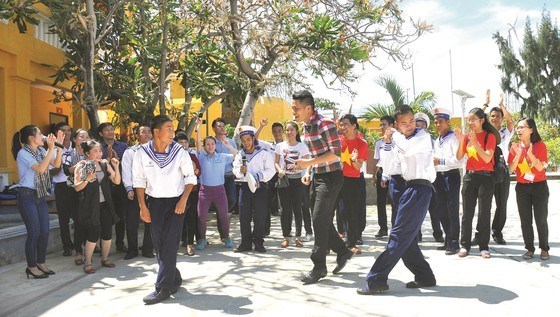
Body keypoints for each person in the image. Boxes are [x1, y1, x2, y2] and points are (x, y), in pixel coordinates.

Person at [357, 105, 436, 295]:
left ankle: (376, 280)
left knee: (399, 235)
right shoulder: (401, 139)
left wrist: (394, 135)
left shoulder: (422, 136)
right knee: (406, 238)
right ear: (397, 124)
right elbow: (389, 166)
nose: (409, 125)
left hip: (420, 188)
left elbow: (408, 150)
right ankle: (425, 276)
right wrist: (386, 142)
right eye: (404, 123)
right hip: (409, 188)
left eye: (411, 121)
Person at [133, 115, 197, 305]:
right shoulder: (141, 153)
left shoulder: (180, 151)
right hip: (155, 203)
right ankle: (174, 277)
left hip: (176, 202)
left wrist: (183, 201)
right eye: (168, 128)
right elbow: (139, 181)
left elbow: (190, 178)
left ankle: (163, 288)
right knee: (159, 245)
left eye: (173, 128)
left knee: (170, 244)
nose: (172, 132)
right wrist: (142, 207)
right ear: (156, 132)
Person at [291, 90, 353, 285]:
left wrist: (308, 165)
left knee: (319, 219)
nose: (294, 112)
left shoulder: (324, 124)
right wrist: (309, 171)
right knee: (321, 219)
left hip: (332, 177)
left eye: (296, 108)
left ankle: (319, 266)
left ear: (308, 108)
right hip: (318, 175)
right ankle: (343, 251)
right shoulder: (305, 125)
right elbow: (314, 154)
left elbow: (335, 154)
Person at [12, 125, 63, 279]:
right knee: (34, 232)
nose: (43, 136)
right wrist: (50, 148)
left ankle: (41, 262)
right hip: (26, 196)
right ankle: (31, 266)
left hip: (40, 195)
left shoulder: (41, 151)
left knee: (45, 231)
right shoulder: (23, 153)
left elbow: (56, 164)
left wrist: (58, 148)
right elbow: (41, 169)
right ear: (31, 138)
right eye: (40, 134)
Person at [454, 107, 501, 259]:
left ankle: (483, 246)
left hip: (486, 178)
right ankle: (464, 245)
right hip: (470, 177)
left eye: (473, 119)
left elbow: (487, 158)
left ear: (481, 120)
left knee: (484, 213)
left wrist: (475, 143)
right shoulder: (468, 136)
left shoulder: (490, 137)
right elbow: (460, 156)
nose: (470, 122)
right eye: (469, 120)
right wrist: (462, 140)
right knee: (467, 213)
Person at [73, 140, 121, 274]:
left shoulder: (104, 165)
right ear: (87, 153)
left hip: (105, 204)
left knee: (107, 232)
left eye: (100, 151)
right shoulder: (81, 166)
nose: (99, 154)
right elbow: (77, 188)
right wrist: (87, 179)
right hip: (90, 205)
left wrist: (116, 167)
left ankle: (105, 259)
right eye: (95, 151)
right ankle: (87, 262)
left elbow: (116, 181)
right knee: (94, 232)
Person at [474, 91, 513, 245]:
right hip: (487, 172)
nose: (494, 118)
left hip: (502, 171)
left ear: (501, 118)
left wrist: (502, 105)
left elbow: (511, 122)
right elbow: (475, 118)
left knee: (501, 204)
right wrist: (486, 104)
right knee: (484, 205)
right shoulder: (485, 133)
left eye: (497, 116)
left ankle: (497, 232)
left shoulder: (505, 133)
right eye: (492, 116)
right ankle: (480, 234)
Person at [508, 118, 550, 261]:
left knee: (541, 219)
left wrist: (531, 155)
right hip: (522, 187)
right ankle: (529, 248)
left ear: (531, 129)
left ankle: (544, 248)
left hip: (539, 186)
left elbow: (540, 168)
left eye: (522, 127)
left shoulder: (540, 145)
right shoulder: (514, 146)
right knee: (525, 220)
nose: (519, 130)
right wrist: (519, 153)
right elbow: (511, 168)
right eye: (518, 128)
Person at [195, 118, 238, 251]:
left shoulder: (222, 156)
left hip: (220, 191)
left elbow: (236, 155)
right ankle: (202, 239)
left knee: (224, 215)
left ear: (215, 145)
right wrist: (198, 127)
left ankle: (226, 237)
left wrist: (227, 144)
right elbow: (197, 142)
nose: (210, 146)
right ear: (204, 146)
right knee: (201, 217)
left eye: (212, 144)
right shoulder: (201, 156)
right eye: (207, 144)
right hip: (204, 191)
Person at [232, 126, 276, 253]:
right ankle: (245, 243)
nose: (246, 143)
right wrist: (240, 171)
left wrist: (259, 176)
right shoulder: (241, 155)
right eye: (244, 140)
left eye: (248, 139)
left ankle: (258, 242)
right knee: (244, 216)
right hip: (245, 187)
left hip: (260, 187)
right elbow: (235, 169)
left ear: (253, 139)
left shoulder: (263, 153)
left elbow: (271, 170)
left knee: (259, 215)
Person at [274, 122, 310, 248]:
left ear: (296, 131)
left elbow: (308, 163)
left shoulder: (302, 146)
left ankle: (298, 236)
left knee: (297, 209)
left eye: (291, 130)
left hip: (297, 181)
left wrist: (304, 172)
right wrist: (279, 171)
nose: (289, 132)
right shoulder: (280, 146)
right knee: (285, 210)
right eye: (287, 130)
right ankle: (286, 237)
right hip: (285, 180)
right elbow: (276, 162)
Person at [432, 108, 463, 255]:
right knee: (441, 209)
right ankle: (448, 238)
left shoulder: (453, 138)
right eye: (436, 122)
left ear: (448, 122)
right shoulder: (437, 140)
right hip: (438, 176)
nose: (438, 125)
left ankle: (454, 241)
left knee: (452, 209)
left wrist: (440, 160)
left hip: (451, 175)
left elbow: (459, 159)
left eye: (441, 122)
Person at [122, 125, 154, 260]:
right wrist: (129, 188)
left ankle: (148, 248)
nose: (146, 134)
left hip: (153, 190)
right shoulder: (131, 152)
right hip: (135, 190)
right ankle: (132, 249)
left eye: (148, 132)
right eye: (143, 132)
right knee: (131, 221)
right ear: (136, 135)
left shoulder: (158, 150)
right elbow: (126, 170)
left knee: (151, 221)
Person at [338, 114, 368, 254]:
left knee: (353, 212)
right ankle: (332, 242)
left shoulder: (362, 144)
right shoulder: (338, 142)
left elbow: (357, 167)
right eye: (341, 124)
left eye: (345, 124)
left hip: (354, 181)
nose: (343, 127)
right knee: (341, 212)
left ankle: (352, 243)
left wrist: (355, 160)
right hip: (338, 180)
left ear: (354, 126)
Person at [98, 122, 128, 253]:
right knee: (104, 215)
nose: (110, 132)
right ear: (101, 133)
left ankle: (120, 243)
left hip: (120, 184)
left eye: (111, 129)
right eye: (106, 130)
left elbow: (127, 165)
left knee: (121, 215)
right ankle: (102, 244)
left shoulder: (123, 146)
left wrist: (116, 160)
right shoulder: (98, 148)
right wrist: (108, 158)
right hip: (104, 185)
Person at [62, 129, 91, 265]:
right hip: (74, 190)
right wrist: (81, 166)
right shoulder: (68, 153)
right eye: (81, 136)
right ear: (75, 139)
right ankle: (78, 250)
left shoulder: (91, 153)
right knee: (78, 220)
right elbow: (66, 170)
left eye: (86, 137)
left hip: (90, 189)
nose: (84, 139)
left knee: (89, 220)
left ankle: (89, 247)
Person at [414, 113, 443, 243]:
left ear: (426, 127)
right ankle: (417, 234)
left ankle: (437, 233)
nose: (420, 128)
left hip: (431, 179)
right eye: (417, 125)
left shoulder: (433, 142)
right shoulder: (410, 141)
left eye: (422, 126)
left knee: (434, 208)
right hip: (417, 179)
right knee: (417, 210)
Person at [175, 132, 201, 256]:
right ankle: (177, 242)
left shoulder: (192, 155)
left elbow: (199, 171)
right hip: (176, 192)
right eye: (181, 142)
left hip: (192, 191)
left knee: (191, 217)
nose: (184, 144)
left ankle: (190, 243)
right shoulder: (172, 156)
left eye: (185, 142)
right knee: (178, 218)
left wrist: (194, 168)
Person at [256, 119, 284, 235]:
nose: (277, 134)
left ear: (283, 132)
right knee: (266, 203)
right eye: (275, 132)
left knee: (284, 205)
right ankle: (265, 230)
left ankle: (286, 232)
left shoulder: (286, 145)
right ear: (272, 133)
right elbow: (255, 139)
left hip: (283, 176)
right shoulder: (268, 146)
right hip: (271, 177)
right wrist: (261, 126)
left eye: (279, 131)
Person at [51, 122, 74, 256]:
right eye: (63, 131)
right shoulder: (53, 149)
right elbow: (51, 172)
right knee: (64, 219)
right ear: (57, 133)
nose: (66, 133)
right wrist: (59, 165)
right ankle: (67, 245)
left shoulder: (76, 147)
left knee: (80, 216)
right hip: (61, 186)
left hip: (76, 185)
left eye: (68, 130)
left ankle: (82, 244)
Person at [371, 115, 394, 238]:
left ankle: (395, 228)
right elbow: (377, 160)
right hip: (382, 172)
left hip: (394, 173)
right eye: (381, 124)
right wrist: (375, 176)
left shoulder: (398, 141)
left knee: (395, 202)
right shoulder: (379, 142)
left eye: (384, 124)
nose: (382, 127)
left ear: (391, 126)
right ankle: (383, 228)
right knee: (381, 202)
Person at [212, 118, 238, 213]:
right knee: (219, 200)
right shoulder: (211, 143)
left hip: (229, 174)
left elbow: (237, 156)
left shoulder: (231, 142)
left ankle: (223, 214)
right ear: (214, 129)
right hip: (217, 176)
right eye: (219, 126)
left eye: (223, 126)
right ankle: (222, 217)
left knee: (232, 199)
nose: (222, 128)